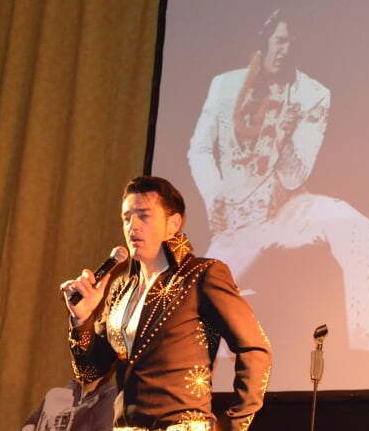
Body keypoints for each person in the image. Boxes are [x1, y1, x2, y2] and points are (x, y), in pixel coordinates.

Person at [188, 10, 369, 353]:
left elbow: (296, 175)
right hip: (235, 220)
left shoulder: (313, 94)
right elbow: (200, 149)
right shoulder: (225, 85)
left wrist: (282, 139)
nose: (285, 50)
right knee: (200, 319)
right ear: (266, 40)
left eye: (292, 43)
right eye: (280, 41)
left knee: (352, 222)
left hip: (286, 210)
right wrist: (214, 197)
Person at [61, 176, 271, 431]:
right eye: (127, 218)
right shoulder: (120, 289)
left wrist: (233, 425)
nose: (132, 226)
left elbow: (255, 349)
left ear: (173, 224)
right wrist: (82, 319)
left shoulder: (201, 275)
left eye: (143, 216)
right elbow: (89, 373)